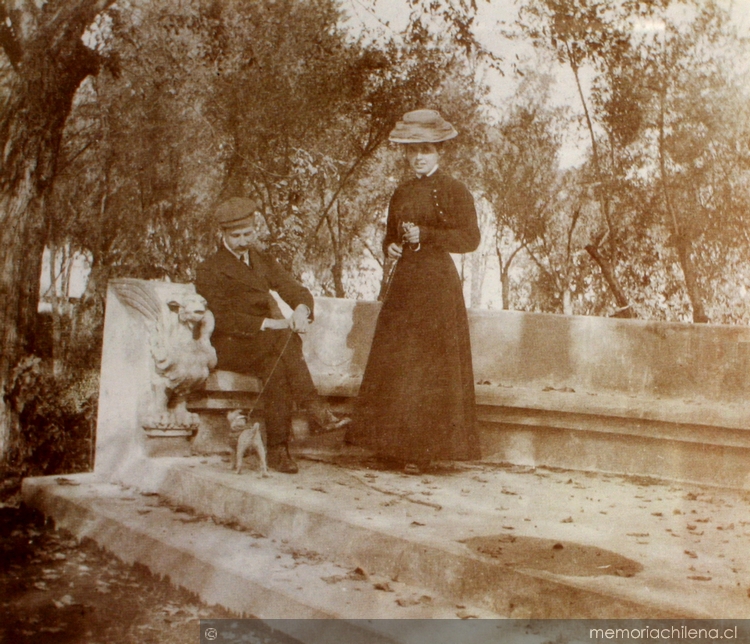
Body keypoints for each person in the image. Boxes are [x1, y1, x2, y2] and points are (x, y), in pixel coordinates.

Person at [345, 109, 481, 473]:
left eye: (426, 150)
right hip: (405, 284)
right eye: (412, 151)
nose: (418, 157)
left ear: (440, 151)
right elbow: (391, 234)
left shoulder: (455, 191)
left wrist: (429, 236)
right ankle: (389, 445)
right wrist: (390, 246)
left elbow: (470, 239)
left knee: (427, 366)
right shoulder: (401, 191)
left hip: (437, 286)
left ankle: (420, 451)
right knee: (396, 361)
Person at [195, 197, 348, 474]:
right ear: (223, 235)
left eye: (248, 234)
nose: (243, 241)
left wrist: (301, 310)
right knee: (283, 340)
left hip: (267, 346)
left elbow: (295, 290)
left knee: (277, 366)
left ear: (255, 229)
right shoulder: (210, 268)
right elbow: (225, 317)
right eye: (236, 236)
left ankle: (279, 450)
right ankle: (315, 412)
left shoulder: (262, 259)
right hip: (232, 345)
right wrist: (271, 323)